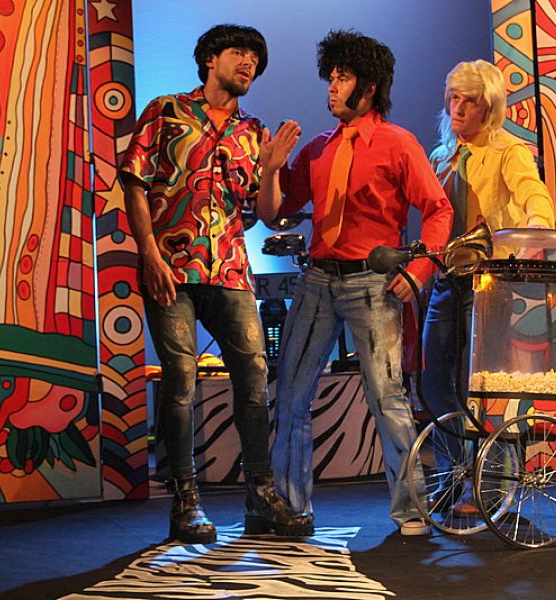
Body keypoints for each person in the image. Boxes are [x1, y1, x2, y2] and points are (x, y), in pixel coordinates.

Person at [119, 24, 312, 544]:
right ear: (209, 59)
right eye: (239, 53)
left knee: (253, 378)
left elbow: (266, 213)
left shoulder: (254, 131)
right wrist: (149, 254)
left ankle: (261, 496)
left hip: (229, 269)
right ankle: (185, 502)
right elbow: (133, 182)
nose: (249, 63)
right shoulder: (166, 111)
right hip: (171, 268)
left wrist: (272, 169)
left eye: (255, 59)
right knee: (180, 379)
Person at [263, 30, 453, 536]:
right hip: (317, 280)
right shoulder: (317, 149)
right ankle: (291, 506)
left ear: (368, 88)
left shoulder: (398, 144)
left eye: (342, 77)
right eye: (329, 76)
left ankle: (411, 510)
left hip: (373, 283)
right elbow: (277, 211)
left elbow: (438, 209)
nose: (331, 86)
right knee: (290, 396)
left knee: (388, 399)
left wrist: (418, 272)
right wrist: (271, 170)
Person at [422, 59, 556, 514]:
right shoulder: (441, 156)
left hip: (488, 280)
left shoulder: (507, 150)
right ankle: (452, 476)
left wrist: (536, 224)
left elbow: (533, 193)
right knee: (435, 384)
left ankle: (491, 488)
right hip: (447, 280)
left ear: (490, 107)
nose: (458, 108)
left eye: (470, 101)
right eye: (454, 98)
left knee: (481, 387)